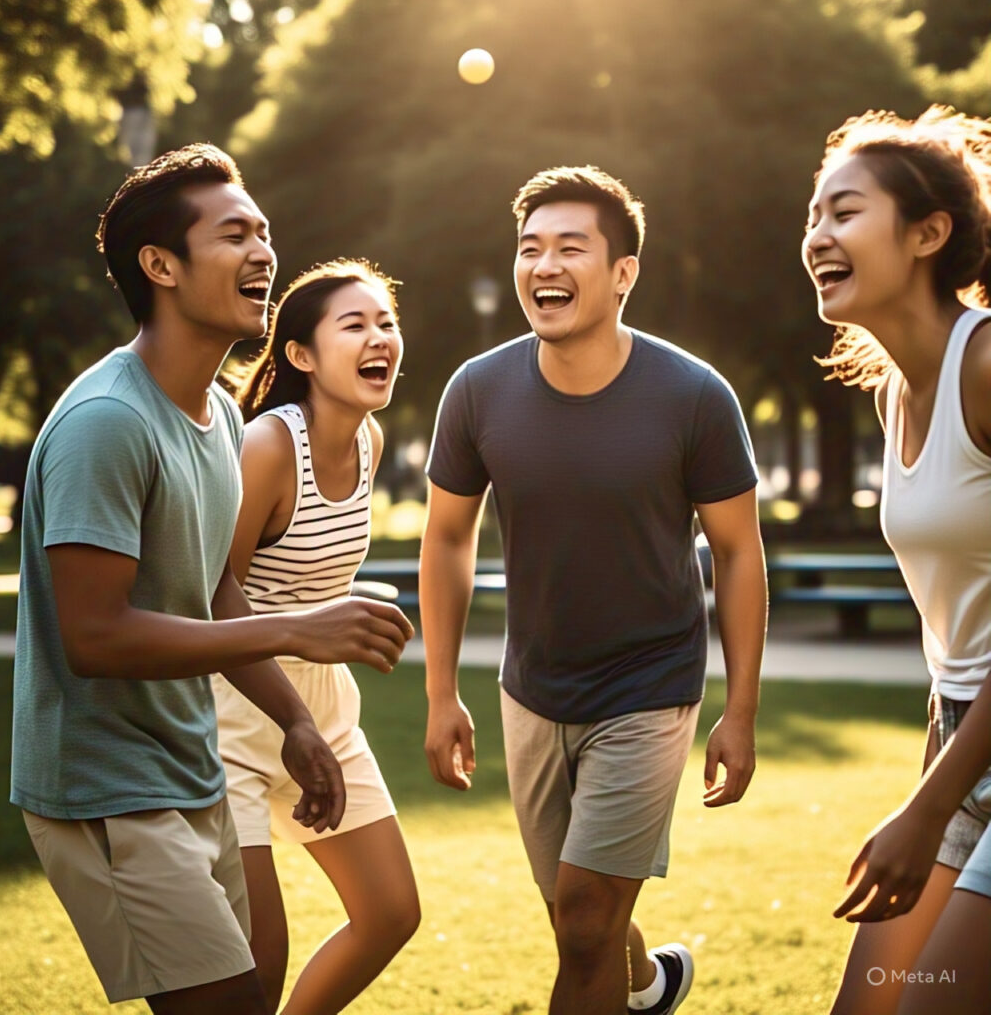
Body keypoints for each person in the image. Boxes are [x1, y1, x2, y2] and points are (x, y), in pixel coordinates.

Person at [9, 146, 413, 1015]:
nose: (265, 251)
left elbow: (210, 589)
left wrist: (297, 719)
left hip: (183, 764)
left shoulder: (217, 413)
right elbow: (96, 635)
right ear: (160, 265)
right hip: (107, 788)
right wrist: (297, 630)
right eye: (235, 234)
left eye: (264, 231)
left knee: (250, 996)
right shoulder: (108, 422)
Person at [421, 165, 767, 1015]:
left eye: (571, 247)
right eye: (530, 248)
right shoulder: (476, 391)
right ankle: (648, 985)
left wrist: (743, 710)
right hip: (532, 689)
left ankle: (628, 978)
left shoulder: (694, 396)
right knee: (576, 920)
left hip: (649, 688)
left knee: (581, 921)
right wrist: (440, 693)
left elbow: (737, 552)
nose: (545, 265)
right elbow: (446, 536)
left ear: (623, 273)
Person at [802, 106, 991, 1015]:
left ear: (928, 232)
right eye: (814, 217)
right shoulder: (893, 395)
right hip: (964, 741)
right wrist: (933, 785)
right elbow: (951, 636)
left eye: (844, 212)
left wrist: (927, 810)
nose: (817, 237)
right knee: (867, 1006)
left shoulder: (987, 367)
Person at [219, 259, 420, 1014]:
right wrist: (306, 631)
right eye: (356, 324)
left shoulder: (366, 439)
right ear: (300, 354)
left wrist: (344, 608)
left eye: (387, 323)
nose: (380, 339)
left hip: (324, 711)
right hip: (231, 711)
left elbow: (299, 576)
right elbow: (212, 591)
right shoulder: (268, 446)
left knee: (390, 913)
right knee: (255, 964)